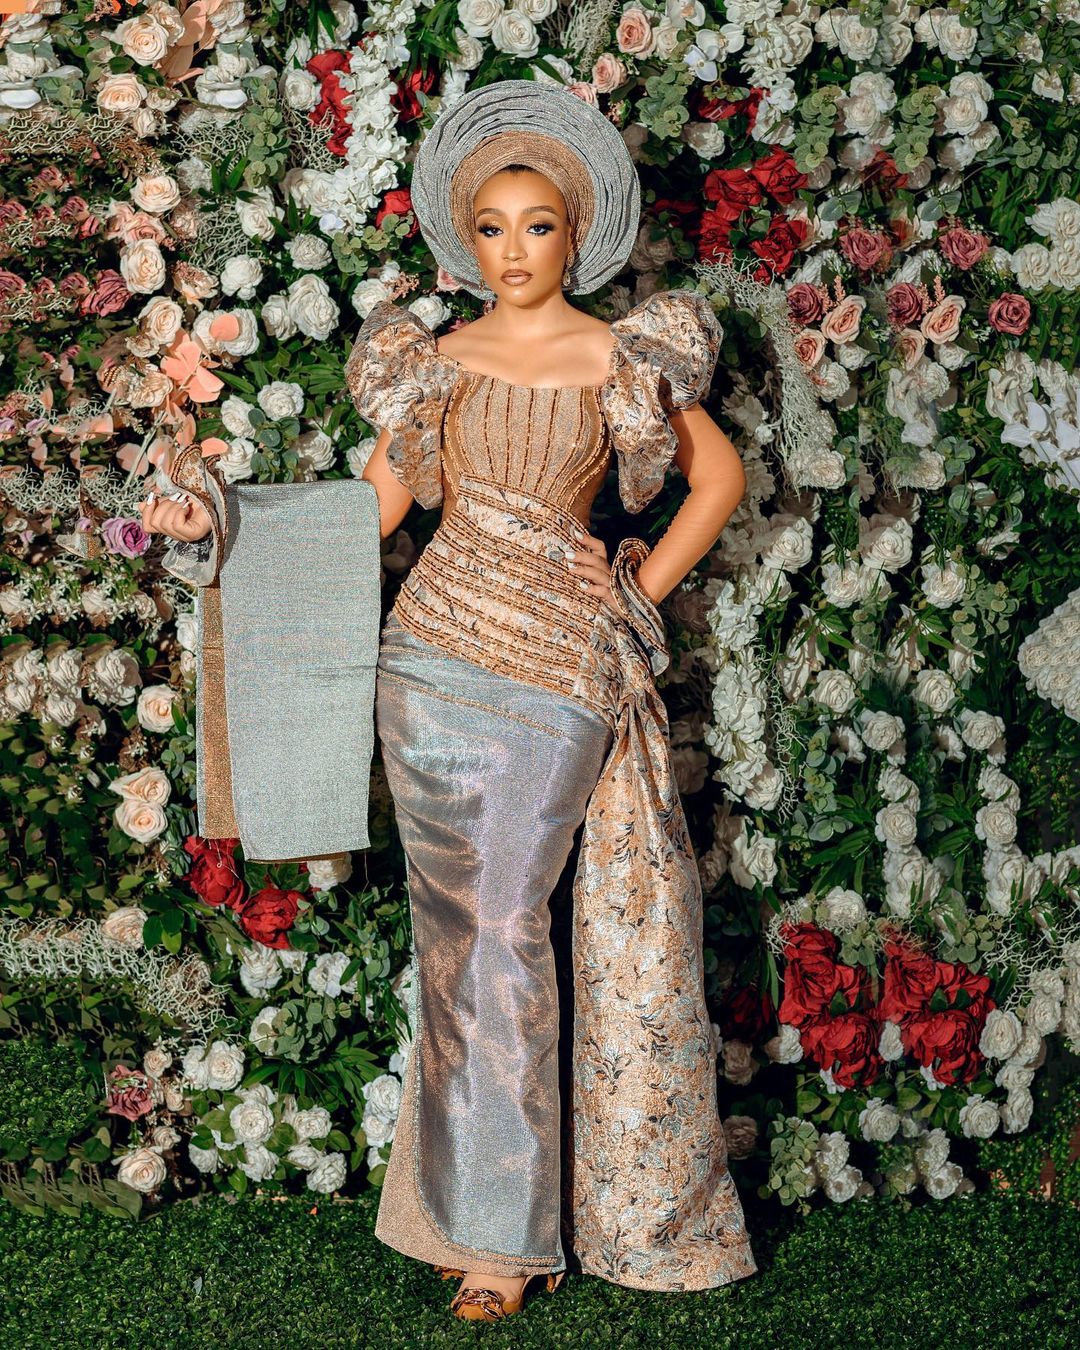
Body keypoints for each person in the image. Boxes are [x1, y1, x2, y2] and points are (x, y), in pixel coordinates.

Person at [142, 78, 757, 1322]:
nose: (514, 249)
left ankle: (503, 1238)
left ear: (576, 234)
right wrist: (216, 524)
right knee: (457, 943)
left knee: (504, 929)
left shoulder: (622, 356)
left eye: (538, 225)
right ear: (464, 240)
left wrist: (634, 589)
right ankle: (477, 1221)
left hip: (559, 671)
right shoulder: (436, 366)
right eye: (491, 227)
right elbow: (366, 514)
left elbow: (719, 482)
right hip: (426, 670)